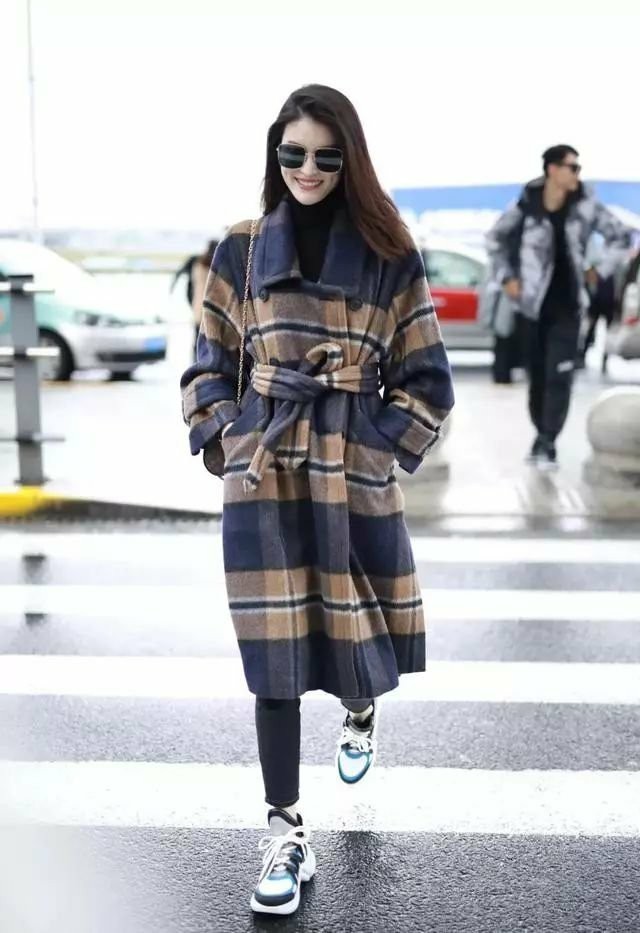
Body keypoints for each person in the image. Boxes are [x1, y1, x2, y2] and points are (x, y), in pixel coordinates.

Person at [180, 84, 454, 916]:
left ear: (350, 161)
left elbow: (428, 379)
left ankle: (361, 708)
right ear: (275, 154)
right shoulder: (239, 248)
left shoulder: (388, 252)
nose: (308, 169)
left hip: (349, 468)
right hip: (264, 469)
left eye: (327, 156)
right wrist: (224, 435)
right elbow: (206, 362)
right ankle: (284, 831)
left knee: (353, 639)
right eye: (293, 152)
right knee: (273, 660)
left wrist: (376, 445)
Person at [487, 145, 631, 469]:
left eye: (578, 168)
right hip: (531, 308)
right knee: (537, 377)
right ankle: (540, 434)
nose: (577, 174)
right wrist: (507, 277)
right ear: (552, 169)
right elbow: (494, 239)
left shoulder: (586, 205)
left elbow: (622, 237)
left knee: (559, 376)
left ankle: (548, 441)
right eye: (572, 167)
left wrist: (599, 270)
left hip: (569, 307)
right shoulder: (526, 204)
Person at [170, 239, 219, 359]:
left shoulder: (197, 262)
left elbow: (180, 275)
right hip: (209, 309)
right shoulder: (215, 265)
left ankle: (197, 361)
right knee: (209, 342)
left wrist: (172, 288)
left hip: (199, 307)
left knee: (199, 340)